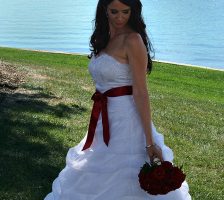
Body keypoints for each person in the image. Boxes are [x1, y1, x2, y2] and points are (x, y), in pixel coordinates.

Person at [44, 0, 192, 199]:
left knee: (126, 172)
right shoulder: (103, 37)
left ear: (133, 11)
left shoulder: (133, 40)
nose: (120, 17)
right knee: (96, 167)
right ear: (104, 9)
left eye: (125, 12)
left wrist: (149, 143)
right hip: (103, 119)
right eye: (114, 11)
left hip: (127, 119)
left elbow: (141, 92)